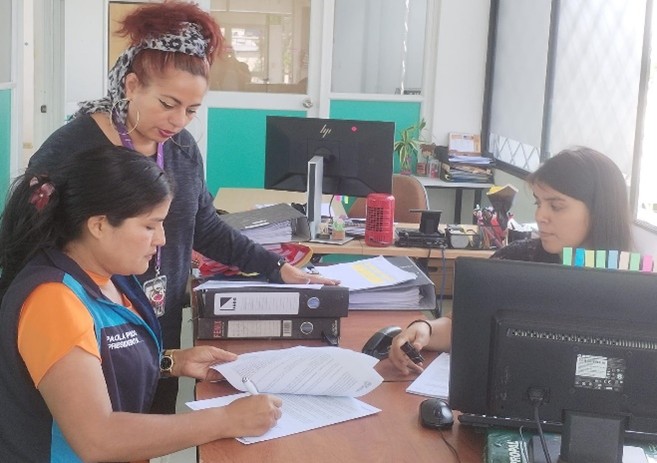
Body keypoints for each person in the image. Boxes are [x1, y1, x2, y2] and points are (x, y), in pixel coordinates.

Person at [29, 0, 339, 414]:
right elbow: (29, 241)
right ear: (132, 85)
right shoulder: (73, 148)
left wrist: (276, 268)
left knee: (150, 427)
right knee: (93, 430)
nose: (178, 120)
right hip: (88, 323)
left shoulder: (182, 149)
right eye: (167, 103)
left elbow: (204, 226)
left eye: (191, 110)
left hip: (160, 318)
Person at [0, 146, 282, 462]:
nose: (161, 239)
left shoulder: (109, 276)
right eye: (150, 226)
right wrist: (226, 419)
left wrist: (171, 362)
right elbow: (98, 439)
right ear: (99, 225)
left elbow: (98, 358)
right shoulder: (54, 302)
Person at [389, 147, 633, 374]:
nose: (540, 215)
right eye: (539, 203)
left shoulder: (631, 281)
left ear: (599, 211)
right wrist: (425, 329)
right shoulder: (515, 260)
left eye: (557, 206)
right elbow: (465, 326)